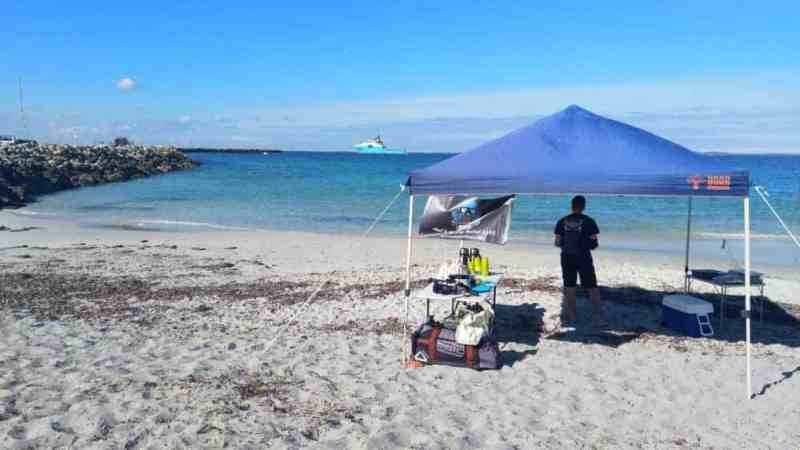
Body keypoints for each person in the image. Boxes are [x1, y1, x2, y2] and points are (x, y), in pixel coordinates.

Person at [554, 195, 603, 326]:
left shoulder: (561, 221)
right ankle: (597, 315)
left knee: (569, 287)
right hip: (584, 257)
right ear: (584, 206)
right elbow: (594, 244)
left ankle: (573, 316)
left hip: (566, 257)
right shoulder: (590, 221)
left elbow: (557, 243)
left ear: (572, 206)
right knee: (592, 287)